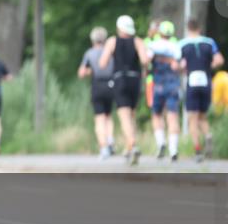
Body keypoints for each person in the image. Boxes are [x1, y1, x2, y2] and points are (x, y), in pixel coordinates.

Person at [98, 15, 149, 165]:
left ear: (119, 27)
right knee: (132, 114)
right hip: (135, 79)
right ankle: (129, 148)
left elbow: (102, 63)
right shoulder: (138, 41)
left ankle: (132, 143)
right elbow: (145, 61)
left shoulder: (112, 41)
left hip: (120, 79)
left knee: (124, 115)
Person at [179, 19, 225, 162]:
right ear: (199, 28)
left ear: (187, 28)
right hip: (206, 81)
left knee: (192, 118)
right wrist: (208, 66)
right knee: (202, 116)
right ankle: (208, 135)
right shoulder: (209, 42)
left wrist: (183, 68)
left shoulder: (182, 44)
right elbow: (220, 60)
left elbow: (179, 64)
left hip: (192, 82)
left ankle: (197, 150)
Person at [146, 20, 182, 160]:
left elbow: (146, 61)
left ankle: (161, 143)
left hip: (158, 84)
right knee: (172, 116)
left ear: (159, 32)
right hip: (173, 83)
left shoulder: (152, 45)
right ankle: (173, 149)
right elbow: (177, 66)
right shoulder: (176, 46)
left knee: (157, 115)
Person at [77, 27, 116, 159]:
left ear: (92, 39)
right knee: (109, 116)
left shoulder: (89, 53)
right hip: (111, 85)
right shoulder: (110, 52)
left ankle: (104, 146)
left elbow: (81, 73)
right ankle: (110, 140)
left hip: (97, 86)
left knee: (99, 118)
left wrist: (91, 71)